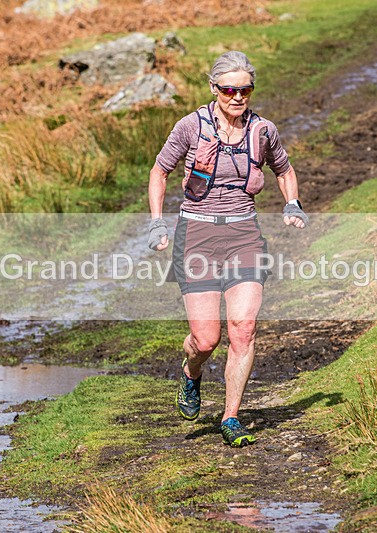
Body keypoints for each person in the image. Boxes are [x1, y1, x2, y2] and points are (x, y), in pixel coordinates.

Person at [147, 51, 309, 447]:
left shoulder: (263, 130)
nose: (237, 97)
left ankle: (231, 417)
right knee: (206, 339)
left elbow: (284, 169)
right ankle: (191, 372)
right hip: (197, 234)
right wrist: (156, 221)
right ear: (214, 88)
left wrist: (292, 203)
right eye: (229, 89)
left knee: (244, 329)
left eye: (245, 90)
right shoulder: (191, 126)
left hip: (244, 235)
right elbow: (159, 171)